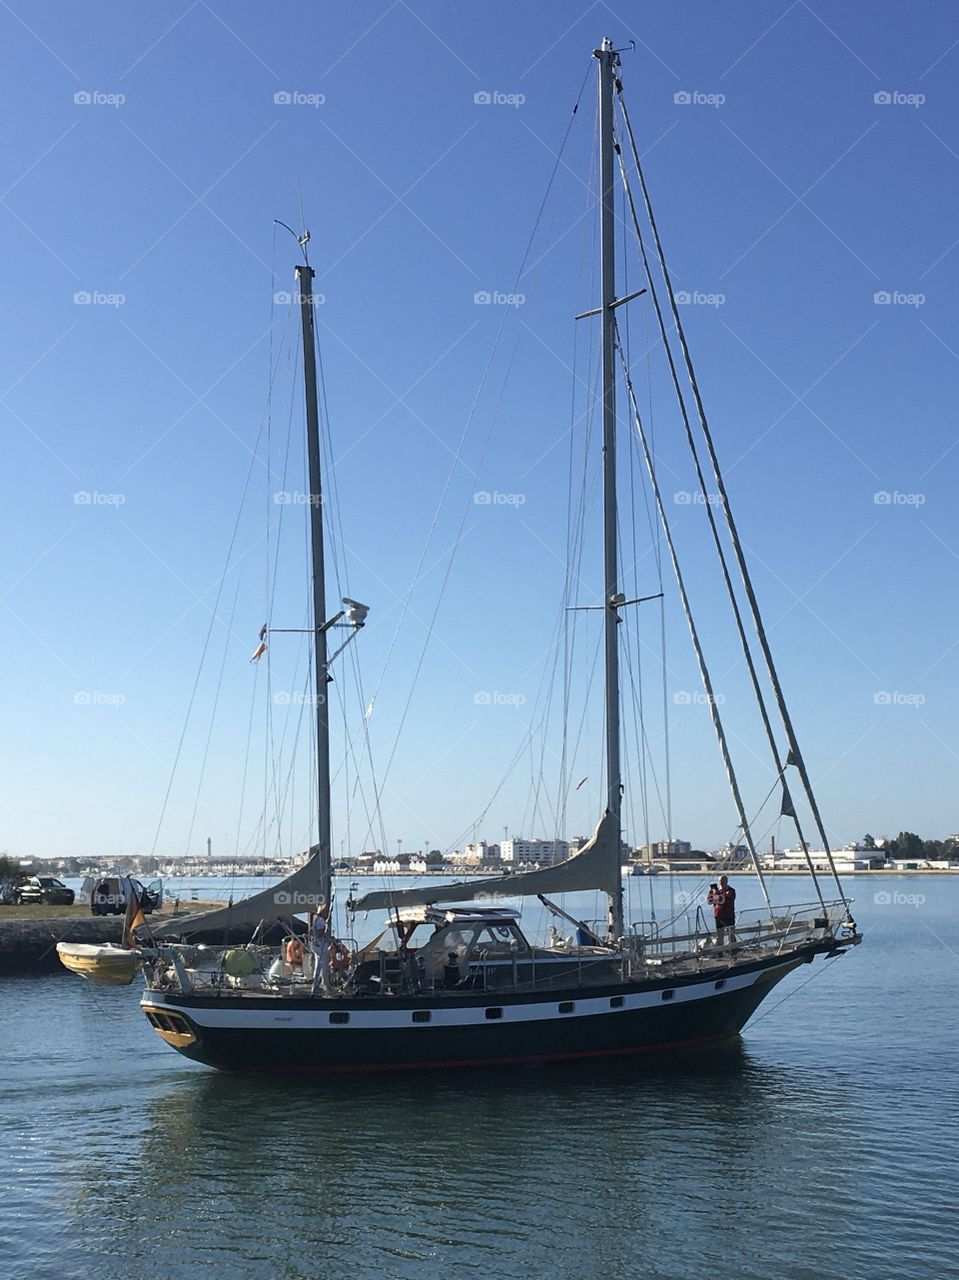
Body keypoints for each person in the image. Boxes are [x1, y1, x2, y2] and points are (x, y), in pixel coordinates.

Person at [707, 874, 737, 949]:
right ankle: (720, 952)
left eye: (722, 881)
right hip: (718, 916)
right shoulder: (715, 891)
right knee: (719, 936)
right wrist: (714, 894)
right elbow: (709, 901)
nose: (720, 883)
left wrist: (716, 895)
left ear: (726, 881)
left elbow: (724, 900)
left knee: (731, 936)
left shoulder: (731, 891)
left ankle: (732, 950)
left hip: (729, 916)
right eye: (720, 881)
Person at [311, 912, 330, 992]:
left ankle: (325, 985)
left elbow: (324, 932)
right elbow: (318, 932)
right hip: (319, 948)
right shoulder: (318, 920)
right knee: (318, 968)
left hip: (323, 947)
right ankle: (316, 985)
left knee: (324, 968)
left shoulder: (318, 920)